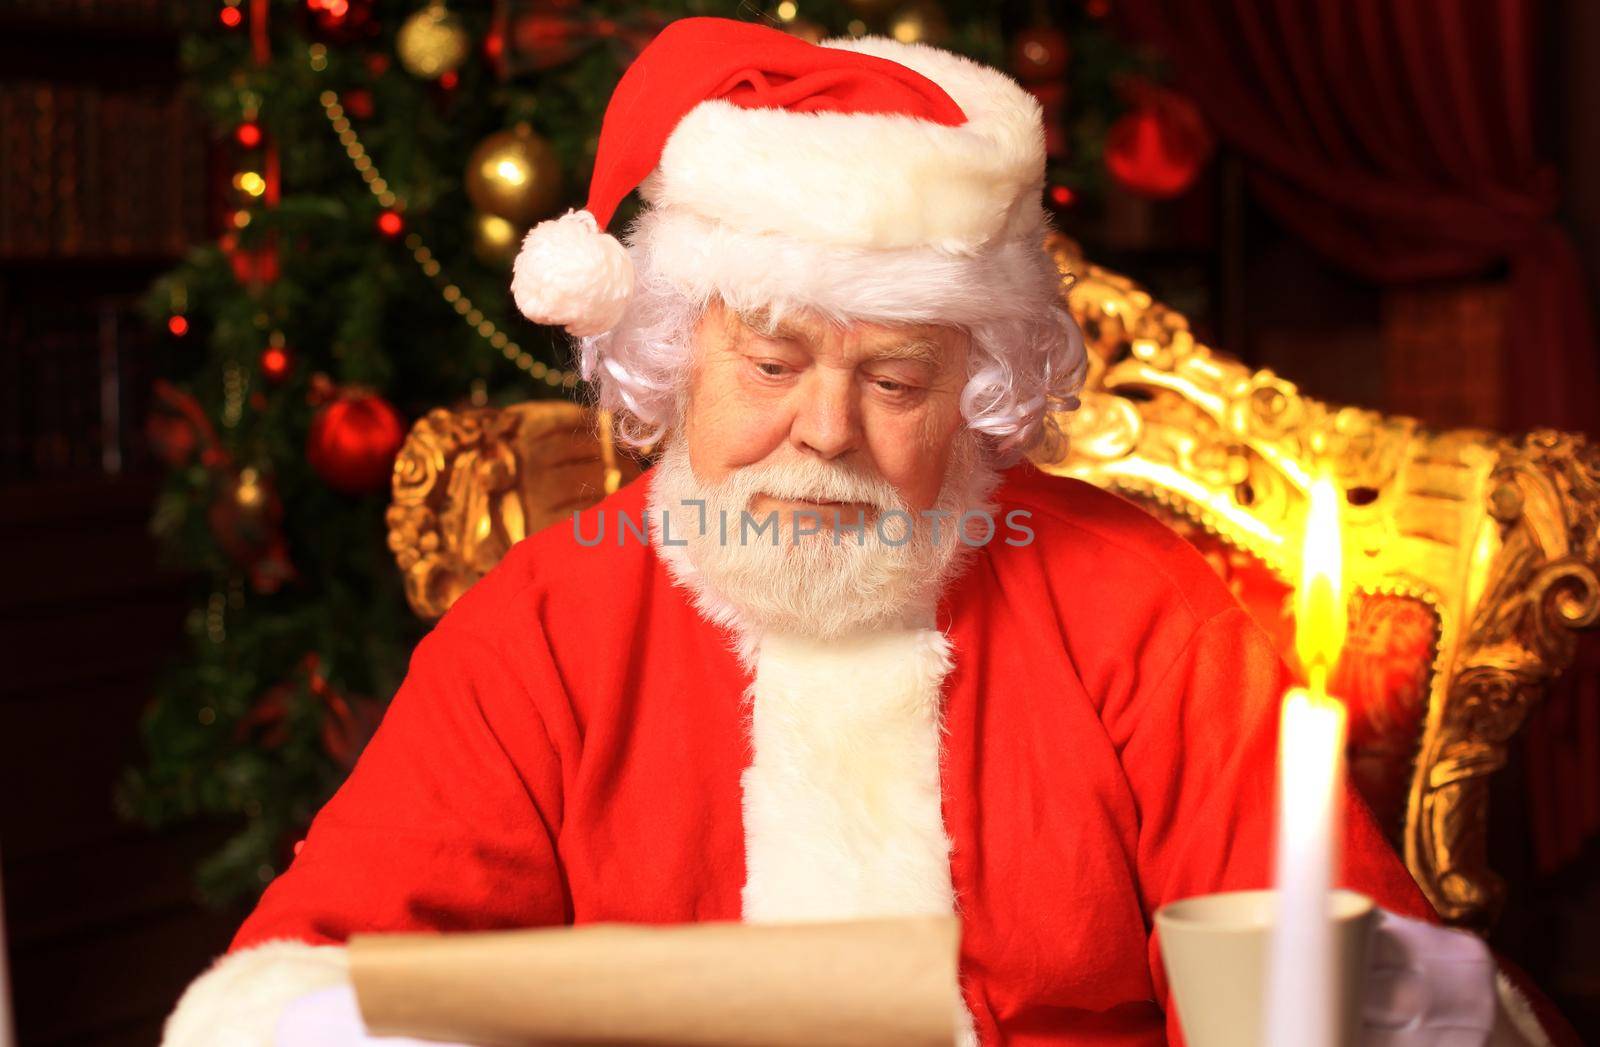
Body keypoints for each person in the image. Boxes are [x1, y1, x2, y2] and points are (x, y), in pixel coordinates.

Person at [164, 17, 1561, 1047]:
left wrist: (1364, 1008)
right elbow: (304, 985)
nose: (826, 430)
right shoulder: (544, 626)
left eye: (893, 377)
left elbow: (1365, 978)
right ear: (676, 358)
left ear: (977, 391)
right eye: (770, 365)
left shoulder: (1139, 603)